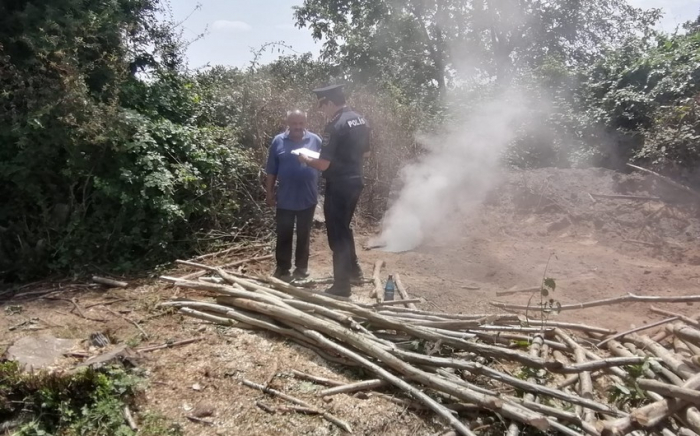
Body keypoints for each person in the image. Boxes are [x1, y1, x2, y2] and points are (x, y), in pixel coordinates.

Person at [296, 84, 370, 297]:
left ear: (329, 102)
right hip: (356, 181)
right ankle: (354, 272)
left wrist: (305, 159)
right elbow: (365, 154)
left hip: (339, 184)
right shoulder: (361, 120)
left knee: (337, 235)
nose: (322, 111)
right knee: (344, 228)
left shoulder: (334, 125)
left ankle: (341, 287)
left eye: (322, 107)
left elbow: (323, 165)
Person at [265, 110, 322, 281]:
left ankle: (301, 268)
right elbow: (271, 171)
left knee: (304, 235)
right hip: (285, 198)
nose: (298, 127)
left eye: (301, 123)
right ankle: (282, 268)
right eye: (294, 123)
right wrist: (269, 193)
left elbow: (325, 164)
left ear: (306, 123)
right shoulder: (278, 141)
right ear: (288, 123)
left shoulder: (315, 140)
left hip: (308, 197)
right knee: (284, 234)